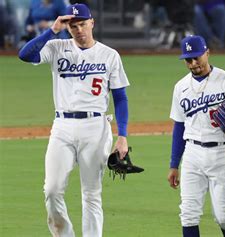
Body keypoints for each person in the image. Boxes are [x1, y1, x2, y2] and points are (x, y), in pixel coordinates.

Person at [18, 3, 130, 236]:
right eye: (73, 26)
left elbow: (120, 98)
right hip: (62, 126)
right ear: (68, 27)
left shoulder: (109, 55)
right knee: (52, 189)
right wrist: (52, 30)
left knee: (91, 194)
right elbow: (24, 54)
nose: (78, 30)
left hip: (96, 127)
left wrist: (122, 136)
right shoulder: (57, 46)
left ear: (92, 23)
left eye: (82, 24)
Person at [167, 35, 225, 237]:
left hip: (222, 153)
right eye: (188, 59)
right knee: (188, 214)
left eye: (197, 57)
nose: (193, 63)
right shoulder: (180, 87)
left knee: (224, 217)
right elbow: (179, 127)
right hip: (192, 155)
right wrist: (173, 164)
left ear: (207, 53)